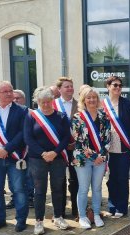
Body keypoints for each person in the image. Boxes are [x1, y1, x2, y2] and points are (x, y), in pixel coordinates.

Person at [24, 86, 71, 235]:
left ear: (52, 101)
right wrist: (43, 153)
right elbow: (28, 138)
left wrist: (55, 152)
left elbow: (66, 138)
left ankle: (58, 217)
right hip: (38, 159)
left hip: (57, 158)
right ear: (37, 101)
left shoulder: (62, 116)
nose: (45, 104)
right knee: (40, 190)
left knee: (58, 189)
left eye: (48, 101)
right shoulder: (31, 116)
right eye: (42, 102)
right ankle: (39, 221)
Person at [0, 81, 28, 233]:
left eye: (10, 90)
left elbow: (23, 133)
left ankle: (21, 220)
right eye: (5, 91)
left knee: (18, 189)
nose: (9, 93)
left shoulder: (22, 110)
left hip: (15, 157)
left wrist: (6, 148)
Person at [72, 87, 110, 229]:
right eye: (89, 97)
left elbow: (108, 138)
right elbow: (79, 141)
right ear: (84, 100)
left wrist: (101, 156)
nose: (92, 100)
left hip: (100, 159)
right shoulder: (78, 117)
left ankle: (96, 214)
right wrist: (94, 156)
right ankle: (82, 216)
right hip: (82, 159)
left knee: (97, 188)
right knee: (83, 188)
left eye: (94, 97)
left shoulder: (104, 116)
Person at [103, 76, 130, 218]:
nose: (117, 88)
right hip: (107, 149)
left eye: (119, 85)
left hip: (123, 147)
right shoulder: (102, 104)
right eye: (114, 85)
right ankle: (112, 205)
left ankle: (122, 207)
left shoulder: (127, 104)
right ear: (108, 86)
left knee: (122, 178)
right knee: (111, 179)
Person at [5, 89, 35, 210]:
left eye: (19, 98)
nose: (16, 100)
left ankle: (29, 198)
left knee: (28, 176)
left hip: (27, 150)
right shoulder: (8, 112)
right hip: (11, 151)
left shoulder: (31, 112)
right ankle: (14, 198)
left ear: (24, 99)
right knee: (12, 178)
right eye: (14, 98)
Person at [54, 77, 79, 219]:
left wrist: (76, 142)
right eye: (66, 87)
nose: (70, 89)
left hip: (76, 148)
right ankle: (60, 211)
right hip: (59, 149)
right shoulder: (53, 104)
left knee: (75, 180)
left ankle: (76, 210)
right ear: (59, 89)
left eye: (71, 86)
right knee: (59, 180)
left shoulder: (80, 104)